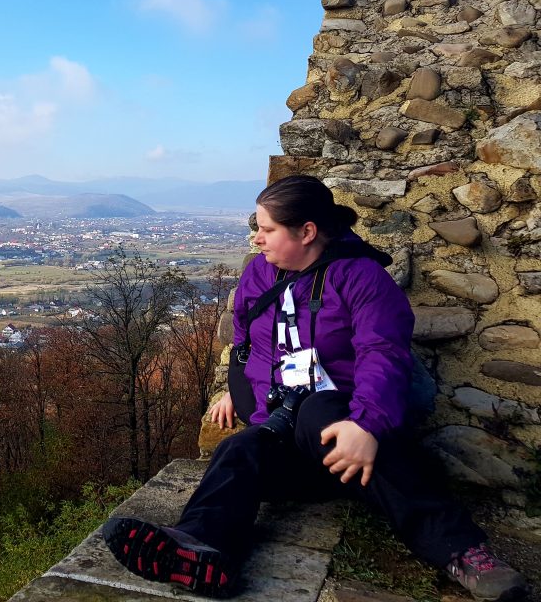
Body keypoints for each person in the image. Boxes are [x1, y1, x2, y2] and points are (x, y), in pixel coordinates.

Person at [102, 175, 528, 601]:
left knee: (318, 411)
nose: (257, 239)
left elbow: (383, 353)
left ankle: (461, 551)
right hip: (288, 440)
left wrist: (367, 426)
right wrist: (240, 389)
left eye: (268, 229)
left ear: (306, 231)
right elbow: (249, 344)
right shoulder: (259, 275)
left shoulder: (360, 279)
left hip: (351, 441)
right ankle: (200, 549)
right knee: (241, 449)